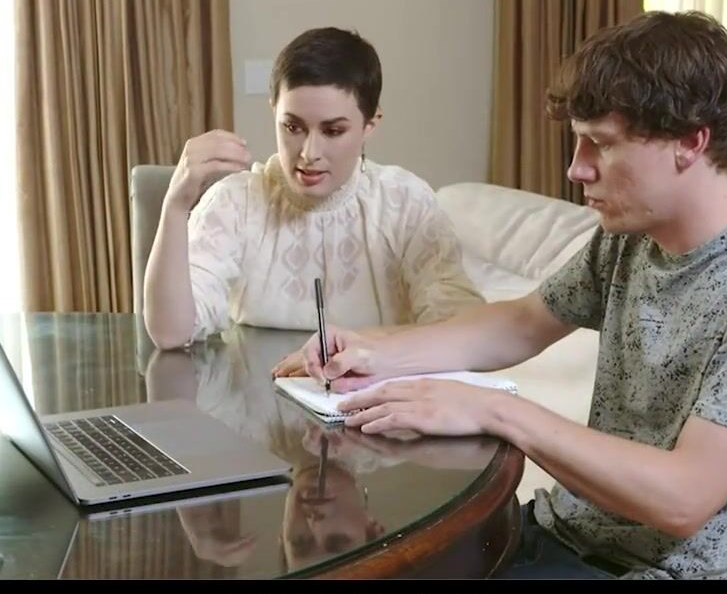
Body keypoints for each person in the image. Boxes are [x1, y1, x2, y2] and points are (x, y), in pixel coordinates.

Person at [299, 11, 727, 579]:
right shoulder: (632, 238)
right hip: (565, 536)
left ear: (691, 142)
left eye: (601, 144)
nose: (575, 169)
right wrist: (373, 352)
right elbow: (523, 322)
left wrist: (497, 410)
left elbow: (684, 497)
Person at [142, 27, 484, 359]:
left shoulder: (406, 204)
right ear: (273, 109)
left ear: (369, 125)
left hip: (379, 392)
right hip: (254, 392)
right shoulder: (236, 202)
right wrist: (176, 205)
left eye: (333, 131)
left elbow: (463, 331)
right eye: (293, 127)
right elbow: (171, 334)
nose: (309, 153)